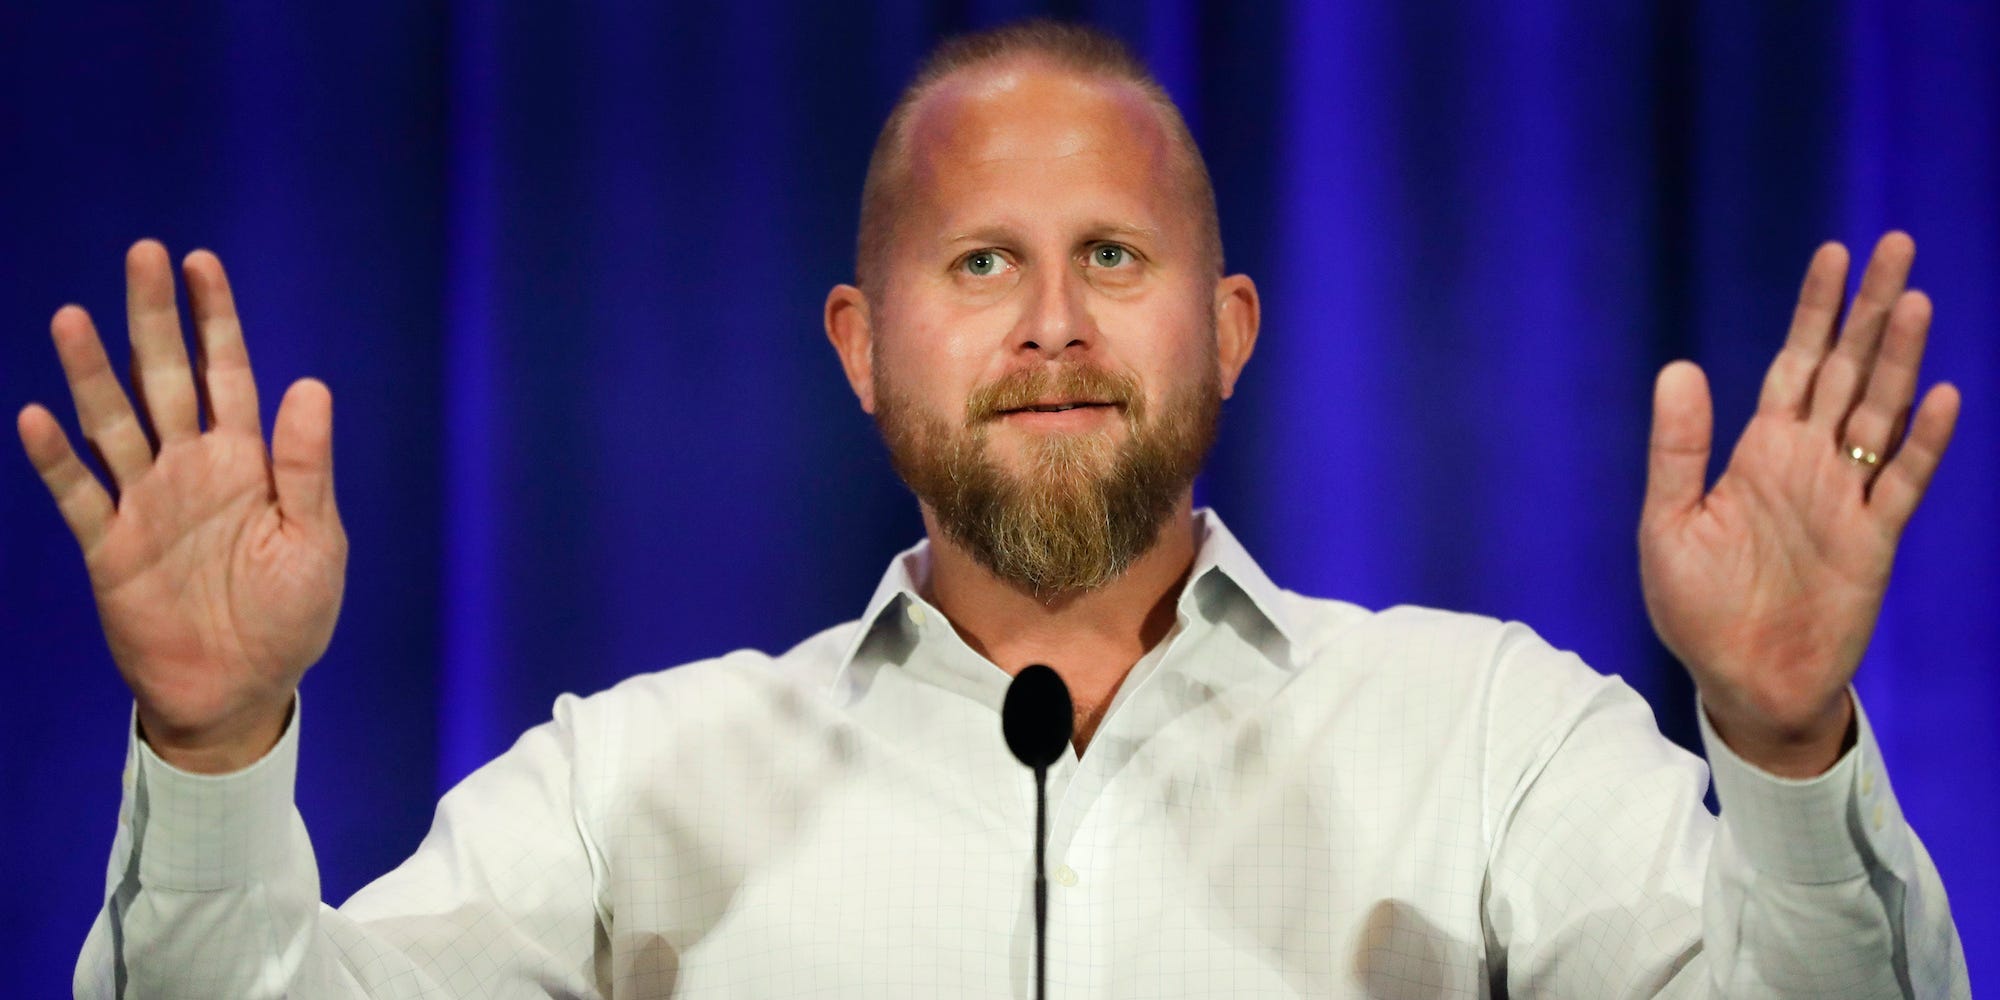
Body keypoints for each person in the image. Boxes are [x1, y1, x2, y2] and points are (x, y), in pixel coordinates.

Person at [23, 19, 1966, 999]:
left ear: (1227, 328)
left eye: (1110, 253)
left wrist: (1786, 746)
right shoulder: (637, 778)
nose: (1048, 323)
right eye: (978, 265)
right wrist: (210, 743)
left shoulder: (1489, 736)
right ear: (860, 344)